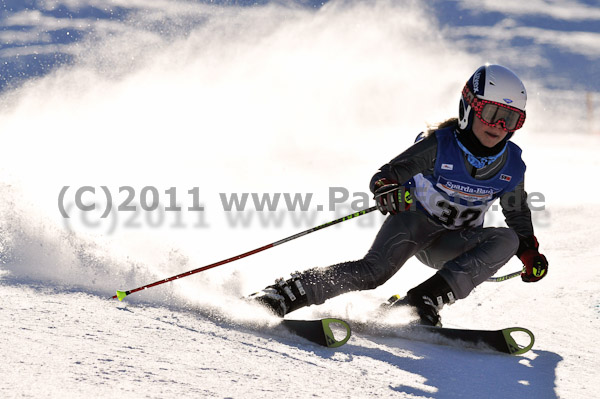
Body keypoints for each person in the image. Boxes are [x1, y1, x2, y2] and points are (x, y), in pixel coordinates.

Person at [248, 64, 549, 326]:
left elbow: (517, 214)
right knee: (373, 273)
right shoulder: (439, 146)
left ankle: (421, 303)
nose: (499, 126)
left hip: (453, 242)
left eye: (510, 119)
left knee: (507, 240)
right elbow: (387, 175)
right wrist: (388, 191)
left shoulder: (511, 164)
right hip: (413, 225)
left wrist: (528, 253)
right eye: (492, 113)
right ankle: (287, 293)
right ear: (469, 107)